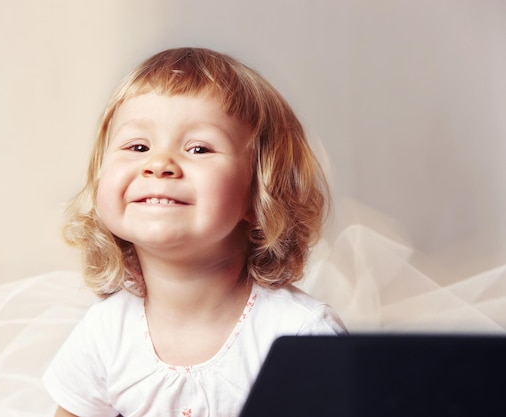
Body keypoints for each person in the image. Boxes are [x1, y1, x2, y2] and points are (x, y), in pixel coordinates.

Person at [43, 47, 346, 417]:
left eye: (199, 148)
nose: (159, 164)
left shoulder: (300, 336)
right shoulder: (106, 333)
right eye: (138, 146)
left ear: (259, 195)